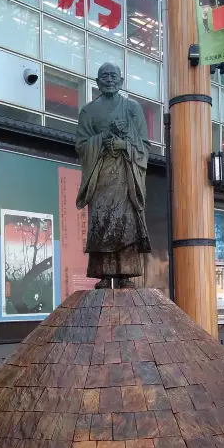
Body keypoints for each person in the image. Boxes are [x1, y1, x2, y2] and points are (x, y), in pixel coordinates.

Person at [75, 62, 152, 289]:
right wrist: (103, 139)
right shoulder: (88, 111)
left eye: (113, 76)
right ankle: (103, 273)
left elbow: (144, 145)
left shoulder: (132, 108)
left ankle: (126, 274)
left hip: (126, 175)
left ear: (121, 81)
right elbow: (81, 145)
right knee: (102, 221)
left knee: (126, 222)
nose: (109, 80)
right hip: (100, 174)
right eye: (104, 76)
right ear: (97, 82)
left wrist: (124, 144)